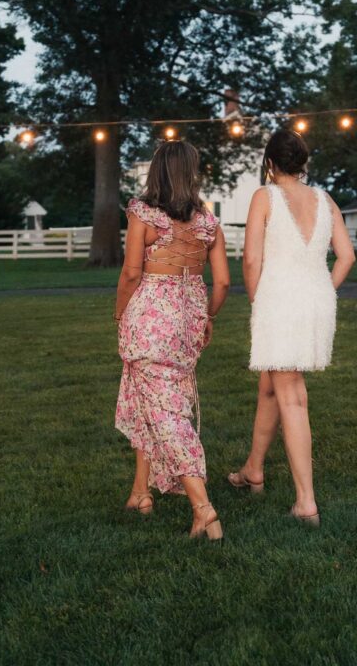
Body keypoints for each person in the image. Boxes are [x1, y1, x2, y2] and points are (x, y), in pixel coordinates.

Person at [228, 128, 356, 525]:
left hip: (279, 301)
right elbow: (347, 257)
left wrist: (256, 300)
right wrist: (322, 290)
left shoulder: (263, 197)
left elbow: (250, 260)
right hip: (317, 301)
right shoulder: (324, 198)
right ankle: (254, 469)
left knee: (292, 396)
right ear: (303, 164)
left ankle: (306, 501)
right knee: (271, 384)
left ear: (269, 163)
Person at [114, 140, 230, 540]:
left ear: (157, 172)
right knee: (155, 399)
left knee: (165, 412)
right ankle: (140, 492)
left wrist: (119, 313)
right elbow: (225, 282)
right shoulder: (207, 223)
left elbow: (131, 273)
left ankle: (203, 507)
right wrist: (208, 317)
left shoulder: (143, 213)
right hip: (188, 318)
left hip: (150, 314)